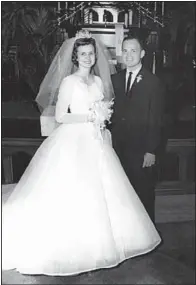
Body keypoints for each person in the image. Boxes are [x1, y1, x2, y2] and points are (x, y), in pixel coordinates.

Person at [2, 30, 161, 276]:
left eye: (90, 54)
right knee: (74, 189)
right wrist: (89, 116)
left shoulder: (99, 82)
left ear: (96, 57)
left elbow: (110, 111)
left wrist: (101, 119)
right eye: (82, 54)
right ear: (75, 57)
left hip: (97, 142)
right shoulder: (69, 82)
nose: (87, 58)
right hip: (73, 141)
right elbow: (60, 116)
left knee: (102, 190)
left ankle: (105, 241)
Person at [111, 34, 165, 222]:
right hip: (118, 148)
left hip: (141, 150)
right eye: (125, 51)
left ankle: (148, 236)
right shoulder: (114, 80)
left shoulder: (153, 82)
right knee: (121, 194)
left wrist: (151, 150)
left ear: (142, 53)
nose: (128, 55)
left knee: (143, 194)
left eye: (133, 51)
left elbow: (156, 119)